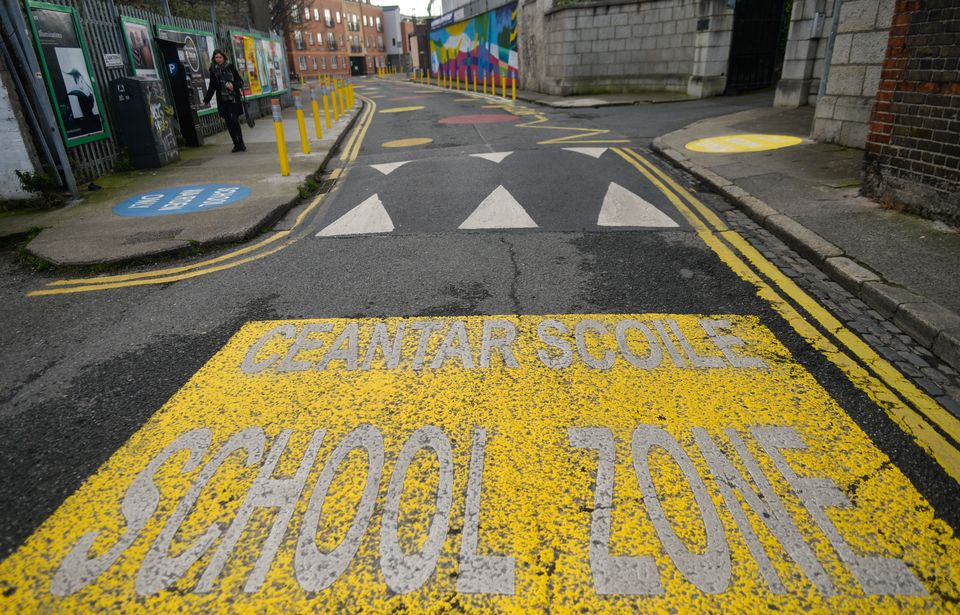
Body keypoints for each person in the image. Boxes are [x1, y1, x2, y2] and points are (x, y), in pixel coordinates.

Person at [204, 49, 246, 152]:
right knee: (228, 122)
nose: (218, 59)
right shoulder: (213, 71)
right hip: (222, 100)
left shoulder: (230, 67)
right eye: (216, 57)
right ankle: (236, 144)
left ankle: (241, 143)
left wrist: (233, 85)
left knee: (234, 120)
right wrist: (206, 100)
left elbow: (240, 82)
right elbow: (212, 86)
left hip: (233, 99)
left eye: (220, 57)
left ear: (224, 58)